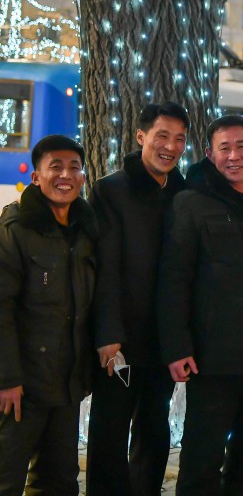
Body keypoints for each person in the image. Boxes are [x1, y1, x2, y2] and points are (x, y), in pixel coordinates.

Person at [157, 115, 243, 495]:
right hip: (210, 355)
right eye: (224, 148)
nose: (234, 155)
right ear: (210, 154)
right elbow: (173, 280)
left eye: (241, 146)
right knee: (202, 456)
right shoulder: (191, 203)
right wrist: (177, 346)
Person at [86, 102, 190, 495]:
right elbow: (106, 269)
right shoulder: (111, 189)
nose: (170, 147)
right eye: (162, 136)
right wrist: (107, 334)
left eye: (179, 139)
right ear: (141, 136)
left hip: (164, 340)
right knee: (110, 432)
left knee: (153, 428)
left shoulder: (183, 191)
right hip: (121, 341)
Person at [0, 135, 97, 494]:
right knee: (6, 477)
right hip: (20, 386)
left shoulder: (87, 230)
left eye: (74, 167)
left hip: (66, 384)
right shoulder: (16, 229)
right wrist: (7, 379)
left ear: (83, 178)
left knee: (59, 481)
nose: (65, 175)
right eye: (55, 166)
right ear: (37, 177)